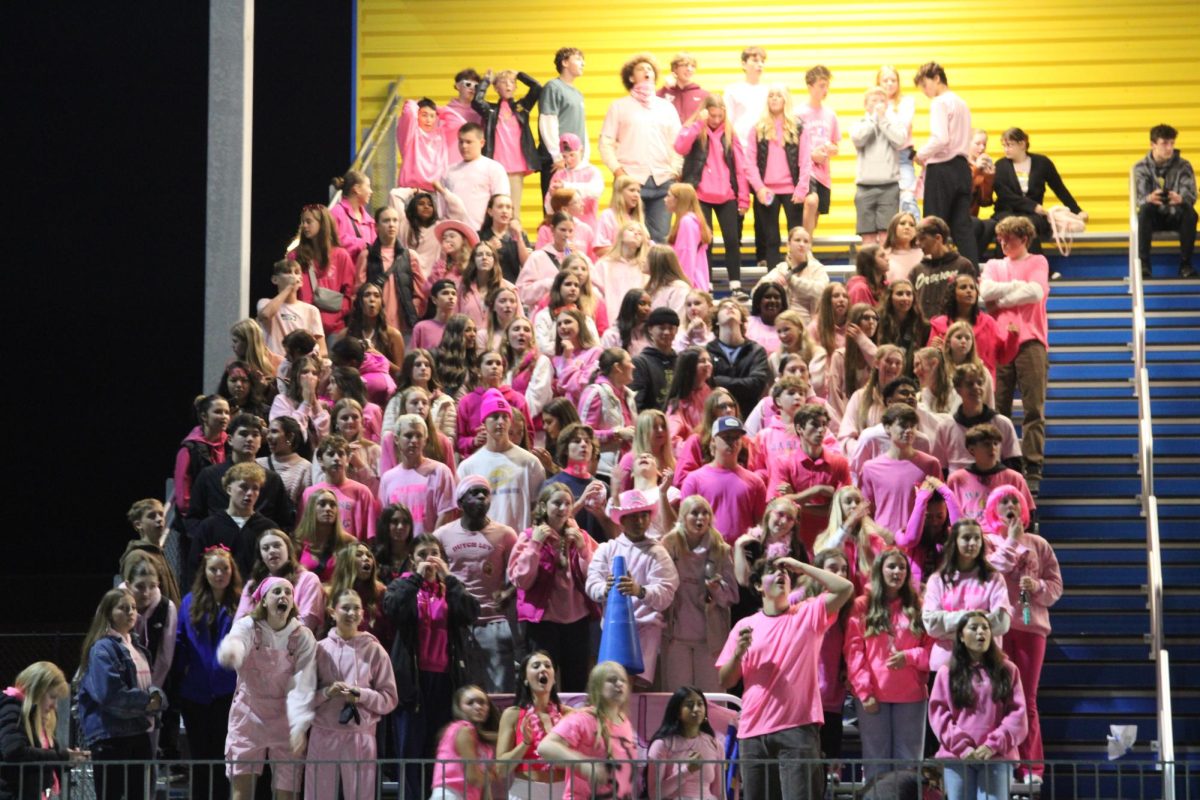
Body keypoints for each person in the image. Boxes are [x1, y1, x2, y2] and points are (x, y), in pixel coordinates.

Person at [717, 554, 855, 800]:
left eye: (785, 572)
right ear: (759, 585)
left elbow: (845, 588)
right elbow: (726, 681)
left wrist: (801, 566)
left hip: (797, 730)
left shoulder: (807, 614)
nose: (781, 574)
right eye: (773, 571)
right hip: (752, 733)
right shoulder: (745, 625)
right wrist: (738, 653)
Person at [383, 534, 480, 799]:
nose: (429, 559)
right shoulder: (402, 586)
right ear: (412, 560)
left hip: (447, 681)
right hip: (412, 681)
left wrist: (448, 578)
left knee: (441, 748)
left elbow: (471, 612)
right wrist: (416, 579)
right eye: (422, 554)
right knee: (410, 750)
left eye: (434, 553)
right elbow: (392, 609)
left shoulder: (451, 587)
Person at [982, 485, 1061, 784]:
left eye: (1015, 500)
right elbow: (992, 572)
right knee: (998, 695)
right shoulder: (988, 542)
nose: (1010, 504)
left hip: (1031, 627)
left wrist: (1038, 587)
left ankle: (1031, 767)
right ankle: (1001, 762)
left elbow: (1056, 586)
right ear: (993, 508)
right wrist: (1012, 541)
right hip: (997, 627)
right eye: (1003, 501)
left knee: (1026, 697)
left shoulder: (1039, 544)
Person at [218, 577, 316, 800]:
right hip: (248, 716)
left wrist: (300, 725)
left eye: (288, 592)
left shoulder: (302, 636)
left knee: (287, 792)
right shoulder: (248, 626)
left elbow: (304, 682)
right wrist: (231, 652)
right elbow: (236, 642)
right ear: (263, 601)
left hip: (285, 720)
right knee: (241, 792)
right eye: (277, 591)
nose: (283, 596)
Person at [843, 549, 933, 782]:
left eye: (902, 567)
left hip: (912, 696)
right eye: (891, 566)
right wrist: (864, 691)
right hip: (873, 696)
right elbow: (854, 652)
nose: (897, 572)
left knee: (909, 764)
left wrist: (909, 656)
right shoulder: (863, 605)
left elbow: (933, 651)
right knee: (876, 762)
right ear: (880, 570)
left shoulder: (918, 605)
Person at [305, 588, 398, 800]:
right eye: (345, 607)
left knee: (360, 796)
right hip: (323, 733)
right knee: (318, 795)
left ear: (363, 613)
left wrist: (362, 695)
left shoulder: (375, 650)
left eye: (356, 608)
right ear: (332, 612)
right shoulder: (318, 650)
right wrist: (327, 693)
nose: (351, 613)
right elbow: (302, 699)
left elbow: (389, 699)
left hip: (360, 735)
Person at [509, 483, 600, 693]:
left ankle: (573, 723)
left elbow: (596, 575)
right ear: (543, 506)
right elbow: (521, 580)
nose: (563, 508)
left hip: (577, 620)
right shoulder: (530, 536)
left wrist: (583, 550)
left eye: (567, 503)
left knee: (577, 681)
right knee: (542, 681)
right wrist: (535, 545)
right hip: (543, 622)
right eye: (556, 503)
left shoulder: (581, 536)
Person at [981, 215, 1049, 493]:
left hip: (1031, 340)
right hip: (998, 340)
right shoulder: (995, 264)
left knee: (1034, 406)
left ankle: (1032, 463)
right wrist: (1014, 288)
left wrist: (1002, 300)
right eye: (1001, 238)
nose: (1003, 242)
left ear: (1024, 238)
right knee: (999, 406)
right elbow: (984, 292)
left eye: (1008, 238)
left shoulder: (1038, 261)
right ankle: (1002, 458)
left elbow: (1035, 292)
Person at [76, 588, 165, 800]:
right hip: (112, 735)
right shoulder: (102, 649)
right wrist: (147, 703)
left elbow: (148, 685)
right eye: (123, 608)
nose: (131, 612)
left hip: (138, 732)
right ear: (108, 614)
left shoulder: (139, 648)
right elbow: (109, 695)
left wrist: (158, 699)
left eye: (133, 608)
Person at [434, 476, 519, 693]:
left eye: (485, 492)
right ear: (460, 503)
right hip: (457, 624)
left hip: (494, 623)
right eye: (474, 492)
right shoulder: (441, 536)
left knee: (501, 692)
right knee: (464, 693)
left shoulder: (506, 535)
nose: (481, 497)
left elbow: (520, 577)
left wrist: (508, 593)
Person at [587, 490, 680, 687]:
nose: (639, 521)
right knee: (612, 687)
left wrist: (640, 591)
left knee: (641, 693)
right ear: (622, 519)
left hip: (647, 633)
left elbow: (666, 592)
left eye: (643, 515)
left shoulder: (657, 553)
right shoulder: (608, 549)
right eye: (633, 516)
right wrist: (606, 588)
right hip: (613, 629)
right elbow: (592, 583)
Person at [929, 613, 1028, 800]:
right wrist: (963, 748)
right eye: (973, 628)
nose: (980, 632)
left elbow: (1018, 714)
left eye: (985, 628)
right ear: (960, 636)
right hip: (957, 758)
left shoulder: (1008, 670)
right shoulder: (945, 673)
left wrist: (992, 746)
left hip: (997, 758)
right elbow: (939, 715)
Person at [174, 546, 241, 800]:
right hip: (196, 693)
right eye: (214, 569)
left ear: (232, 571)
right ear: (205, 572)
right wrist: (180, 677)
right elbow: (180, 640)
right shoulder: (190, 602)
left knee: (224, 755)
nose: (219, 573)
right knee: (200, 756)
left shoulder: (239, 602)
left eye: (224, 569)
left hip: (228, 691)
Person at [599, 54, 683, 242]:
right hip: (630, 180)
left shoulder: (666, 107)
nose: (646, 71)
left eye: (650, 69)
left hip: (663, 181)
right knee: (629, 238)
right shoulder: (619, 106)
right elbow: (605, 143)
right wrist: (619, 172)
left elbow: (678, 143)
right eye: (640, 69)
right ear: (630, 77)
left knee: (660, 238)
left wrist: (675, 170)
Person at [659, 498, 738, 692]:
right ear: (683, 517)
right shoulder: (668, 545)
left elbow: (732, 597)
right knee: (677, 697)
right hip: (675, 636)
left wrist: (716, 588)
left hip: (709, 640)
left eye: (705, 513)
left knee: (712, 699)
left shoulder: (721, 549)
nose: (700, 518)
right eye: (694, 513)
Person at [676, 94, 749, 294]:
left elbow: (741, 167)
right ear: (705, 113)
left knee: (732, 240)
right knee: (706, 241)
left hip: (727, 195)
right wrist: (699, 123)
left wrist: (743, 197)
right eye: (712, 116)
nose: (716, 121)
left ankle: (735, 284)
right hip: (700, 195)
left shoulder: (730, 134)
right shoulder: (695, 129)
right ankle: (705, 285)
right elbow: (679, 147)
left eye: (720, 116)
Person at [921, 519, 1012, 673]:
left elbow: (1002, 623)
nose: (973, 543)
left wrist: (948, 626)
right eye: (966, 538)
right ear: (954, 542)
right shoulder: (937, 580)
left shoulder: (994, 578)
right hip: (945, 665)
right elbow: (931, 625)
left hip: (985, 664)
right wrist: (975, 619)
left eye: (977, 538)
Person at [538, 662, 638, 800]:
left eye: (623, 680)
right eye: (612, 680)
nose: (619, 684)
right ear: (597, 686)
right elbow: (545, 746)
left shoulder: (624, 721)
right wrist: (583, 764)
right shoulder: (582, 719)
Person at [913, 62, 978, 266]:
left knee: (933, 225)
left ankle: (934, 272)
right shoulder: (962, 103)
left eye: (925, 85)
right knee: (962, 227)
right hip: (962, 168)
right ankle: (971, 272)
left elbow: (941, 138)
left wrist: (919, 155)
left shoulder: (940, 102)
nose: (925, 91)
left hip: (942, 169)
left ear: (937, 78)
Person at [989, 127, 1088, 258]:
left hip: (1033, 215)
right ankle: (1004, 266)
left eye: (1010, 145)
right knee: (1008, 225)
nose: (1006, 149)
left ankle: (1036, 265)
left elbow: (1059, 188)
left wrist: (1077, 210)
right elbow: (1005, 195)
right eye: (1004, 146)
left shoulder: (1042, 163)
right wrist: (1034, 206)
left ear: (1022, 144)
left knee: (1030, 225)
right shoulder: (1000, 165)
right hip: (1007, 211)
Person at [457, 389, 546, 532]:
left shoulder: (530, 462)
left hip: (520, 543)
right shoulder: (468, 466)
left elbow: (539, 507)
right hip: (484, 543)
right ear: (484, 422)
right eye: (495, 416)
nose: (500, 422)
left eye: (505, 417)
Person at [186, 462, 279, 589]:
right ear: (229, 489)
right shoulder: (209, 527)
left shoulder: (268, 528)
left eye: (255, 488)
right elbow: (194, 569)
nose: (250, 493)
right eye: (244, 487)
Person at [1, 661, 85, 800]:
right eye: (52, 697)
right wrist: (61, 757)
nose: (55, 705)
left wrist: (67, 761)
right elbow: (14, 751)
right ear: (37, 690)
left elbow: (38, 761)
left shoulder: (37, 718)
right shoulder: (12, 709)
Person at [746, 84, 810, 266]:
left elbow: (805, 160)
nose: (774, 98)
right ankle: (774, 284)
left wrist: (802, 188)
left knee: (797, 240)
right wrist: (759, 188)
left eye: (778, 95)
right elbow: (749, 162)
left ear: (785, 100)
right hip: (767, 191)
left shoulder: (798, 127)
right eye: (771, 95)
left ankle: (798, 275)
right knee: (771, 239)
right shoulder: (758, 128)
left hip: (793, 192)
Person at [772, 403, 852, 550]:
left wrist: (796, 499)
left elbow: (843, 508)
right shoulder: (783, 462)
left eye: (823, 425)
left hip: (830, 543)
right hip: (794, 544)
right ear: (799, 428)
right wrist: (818, 490)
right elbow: (779, 506)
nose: (821, 430)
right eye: (814, 425)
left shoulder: (839, 462)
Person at [494, 651, 572, 800]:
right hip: (526, 791)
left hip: (562, 790)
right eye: (536, 666)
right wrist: (525, 743)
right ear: (525, 679)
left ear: (554, 679)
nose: (543, 669)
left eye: (548, 666)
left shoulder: (569, 715)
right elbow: (501, 770)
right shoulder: (513, 714)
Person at [680, 416, 767, 546]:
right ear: (713, 441)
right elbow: (685, 524)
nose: (732, 442)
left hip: (743, 555)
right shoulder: (694, 480)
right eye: (726, 437)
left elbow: (760, 523)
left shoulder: (755, 482)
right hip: (706, 555)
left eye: (736, 437)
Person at [1134, 123, 1197, 278]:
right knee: (1144, 211)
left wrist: (1181, 198)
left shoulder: (1184, 165)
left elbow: (1191, 195)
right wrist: (1148, 198)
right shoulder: (1140, 167)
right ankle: (1144, 265)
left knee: (1190, 212)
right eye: (1164, 143)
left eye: (1172, 143)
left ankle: (1185, 264)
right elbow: (1138, 198)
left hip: (1176, 214)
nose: (1169, 148)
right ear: (1153, 144)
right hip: (1153, 216)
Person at [472, 70, 542, 209]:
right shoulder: (491, 110)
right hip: (496, 167)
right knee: (495, 207)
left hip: (516, 166)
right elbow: (477, 101)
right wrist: (486, 81)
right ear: (496, 87)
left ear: (516, 87)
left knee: (514, 209)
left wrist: (521, 75)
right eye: (503, 82)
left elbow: (537, 88)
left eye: (512, 82)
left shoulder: (521, 107)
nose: (508, 85)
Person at [289, 203, 358, 336]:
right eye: (303, 222)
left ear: (323, 224)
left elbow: (350, 294)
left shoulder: (341, 255)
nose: (304, 226)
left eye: (308, 221)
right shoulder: (294, 256)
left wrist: (333, 317)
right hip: (303, 328)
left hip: (334, 329)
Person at [645, 687, 726, 800]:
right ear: (677, 713)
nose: (696, 709)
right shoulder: (662, 745)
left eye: (700, 704)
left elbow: (720, 793)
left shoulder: (715, 745)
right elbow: (654, 794)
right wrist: (686, 771)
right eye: (690, 704)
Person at [851, 86, 907, 244]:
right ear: (866, 105)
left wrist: (883, 121)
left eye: (882, 101)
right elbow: (858, 139)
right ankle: (869, 268)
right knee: (867, 235)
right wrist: (874, 120)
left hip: (889, 187)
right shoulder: (859, 123)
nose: (878, 104)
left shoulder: (895, 123)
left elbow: (900, 141)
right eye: (874, 101)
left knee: (886, 235)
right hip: (864, 187)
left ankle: (885, 268)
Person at [943, 365, 1022, 473]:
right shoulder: (946, 427)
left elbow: (1014, 466)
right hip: (956, 487)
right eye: (970, 384)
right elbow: (940, 470)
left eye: (980, 383)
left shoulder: (1002, 423)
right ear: (958, 390)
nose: (976, 387)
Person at [300, 435, 378, 541]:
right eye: (331, 454)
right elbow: (303, 532)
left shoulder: (362, 492)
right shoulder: (309, 493)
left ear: (348, 459)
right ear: (320, 460)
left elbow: (370, 535)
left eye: (341, 454)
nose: (336, 458)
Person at [706, 298, 771, 420]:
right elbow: (706, 387)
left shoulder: (756, 351)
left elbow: (756, 385)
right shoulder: (706, 352)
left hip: (749, 416)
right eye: (724, 307)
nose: (730, 308)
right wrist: (743, 383)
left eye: (734, 307)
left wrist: (717, 381)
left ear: (742, 320)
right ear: (716, 322)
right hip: (716, 418)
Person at [430, 686, 499, 800]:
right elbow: (473, 777)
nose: (478, 707)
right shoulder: (463, 729)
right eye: (470, 703)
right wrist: (493, 775)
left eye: (482, 702)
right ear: (460, 708)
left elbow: (484, 788)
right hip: (450, 795)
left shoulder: (485, 746)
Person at [173, 394, 230, 532]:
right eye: (218, 412)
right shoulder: (189, 449)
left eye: (227, 412)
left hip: (226, 518)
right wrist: (195, 519)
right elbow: (183, 495)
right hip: (199, 523)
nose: (224, 417)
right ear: (204, 416)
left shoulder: (231, 444)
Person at [538, 47, 589, 200]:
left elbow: (581, 126)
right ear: (565, 62)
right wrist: (557, 156)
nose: (583, 63)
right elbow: (547, 121)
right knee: (555, 207)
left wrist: (584, 157)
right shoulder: (553, 87)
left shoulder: (578, 94)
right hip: (559, 160)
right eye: (578, 59)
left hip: (575, 160)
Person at [444, 123, 511, 231]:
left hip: (483, 235)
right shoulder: (449, 172)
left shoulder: (494, 168)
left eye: (469, 142)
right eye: (461, 142)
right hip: (455, 235)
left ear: (482, 143)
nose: (464, 146)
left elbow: (502, 203)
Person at [911, 216, 978, 321]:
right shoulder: (917, 270)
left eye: (922, 238)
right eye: (917, 239)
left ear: (938, 238)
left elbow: (972, 303)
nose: (918, 243)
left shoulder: (963, 265)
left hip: (953, 328)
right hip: (923, 329)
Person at [799, 65, 840, 235]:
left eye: (827, 85)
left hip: (823, 173)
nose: (826, 89)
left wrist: (831, 150)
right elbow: (791, 147)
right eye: (821, 85)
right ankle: (804, 250)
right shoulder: (799, 114)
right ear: (810, 87)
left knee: (814, 215)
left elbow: (836, 146)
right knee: (811, 202)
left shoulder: (830, 115)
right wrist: (811, 155)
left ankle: (803, 248)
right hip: (806, 170)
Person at [258, 258, 327, 360]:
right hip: (273, 365)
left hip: (300, 366)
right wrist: (288, 288)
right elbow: (265, 315)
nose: (293, 276)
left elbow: (323, 349)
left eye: (296, 272)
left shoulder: (311, 310)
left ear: (301, 281)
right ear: (275, 279)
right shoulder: (265, 302)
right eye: (287, 272)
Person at [762, 226, 830, 326]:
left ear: (810, 246)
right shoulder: (781, 269)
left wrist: (793, 281)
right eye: (797, 240)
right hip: (783, 325)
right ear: (788, 244)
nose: (802, 244)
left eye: (806, 241)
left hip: (811, 326)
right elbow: (756, 291)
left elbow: (822, 290)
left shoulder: (817, 268)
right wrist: (772, 286)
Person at [545, 133, 604, 233]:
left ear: (581, 150)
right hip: (566, 231)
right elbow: (549, 208)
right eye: (564, 156)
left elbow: (596, 190)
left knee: (583, 249)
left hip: (588, 230)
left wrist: (566, 186)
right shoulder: (558, 175)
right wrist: (551, 196)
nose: (568, 160)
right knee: (568, 248)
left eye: (572, 155)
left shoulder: (592, 171)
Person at [666, 182, 713, 290]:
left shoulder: (687, 222)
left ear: (679, 199)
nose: (665, 199)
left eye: (668, 196)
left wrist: (683, 285)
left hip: (690, 283)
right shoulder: (690, 220)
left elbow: (686, 254)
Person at [330, 169, 377, 264]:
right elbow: (331, 242)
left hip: (364, 276)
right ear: (357, 189)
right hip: (343, 275)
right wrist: (361, 244)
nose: (371, 191)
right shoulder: (335, 213)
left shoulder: (369, 220)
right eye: (368, 186)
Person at [594, 177, 648, 260]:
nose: (636, 195)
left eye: (638, 191)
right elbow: (600, 249)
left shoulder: (638, 219)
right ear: (619, 192)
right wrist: (625, 253)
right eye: (632, 190)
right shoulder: (608, 215)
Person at [658, 52, 709, 122]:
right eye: (685, 65)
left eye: (693, 66)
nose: (689, 69)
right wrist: (664, 89)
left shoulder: (704, 95)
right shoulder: (664, 92)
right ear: (675, 69)